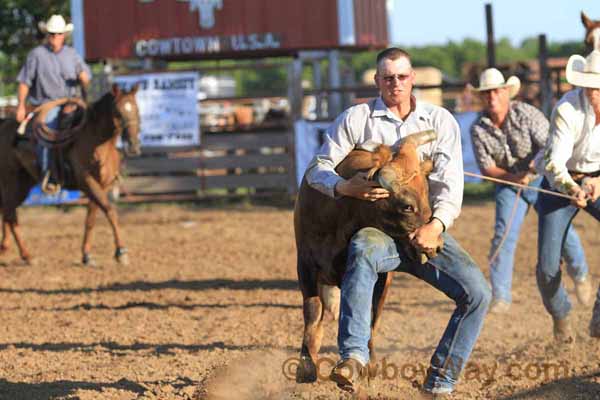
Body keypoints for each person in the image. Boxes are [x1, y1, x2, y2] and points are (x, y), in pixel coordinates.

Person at [304, 47, 491, 397]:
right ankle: (354, 357)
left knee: (478, 294)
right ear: (377, 81)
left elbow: (451, 185)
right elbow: (318, 168)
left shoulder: (439, 120)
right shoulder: (357, 118)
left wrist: (436, 226)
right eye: (387, 77)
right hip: (380, 230)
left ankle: (440, 383)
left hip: (425, 227)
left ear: (412, 79)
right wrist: (344, 187)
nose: (395, 84)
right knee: (362, 247)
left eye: (402, 77)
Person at [470, 68, 591, 314]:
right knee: (503, 234)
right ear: (482, 97)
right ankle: (501, 295)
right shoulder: (478, 128)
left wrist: (534, 167)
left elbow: (551, 143)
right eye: (486, 93)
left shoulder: (526, 113)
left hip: (543, 178)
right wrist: (514, 177)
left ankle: (580, 274)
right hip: (509, 183)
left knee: (561, 232)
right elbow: (487, 168)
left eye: (495, 91)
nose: (491, 97)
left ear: (506, 92)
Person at [537, 49, 600, 342]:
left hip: (597, 179)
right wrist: (573, 188)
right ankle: (561, 316)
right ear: (586, 87)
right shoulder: (567, 109)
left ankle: (599, 314)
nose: (597, 93)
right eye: (594, 86)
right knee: (548, 268)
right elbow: (553, 163)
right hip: (559, 184)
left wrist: (597, 181)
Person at [14, 14, 91, 191]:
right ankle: (49, 174)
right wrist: (21, 106)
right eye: (52, 34)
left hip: (72, 103)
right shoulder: (37, 55)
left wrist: (84, 78)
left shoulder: (72, 55)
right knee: (48, 131)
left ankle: (94, 168)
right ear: (47, 35)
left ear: (64, 35)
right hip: (47, 104)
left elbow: (85, 77)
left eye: (58, 34)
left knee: (94, 122)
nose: (55, 37)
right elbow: (25, 82)